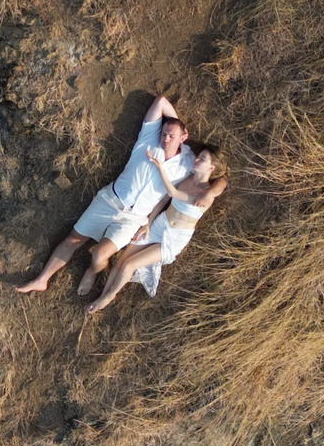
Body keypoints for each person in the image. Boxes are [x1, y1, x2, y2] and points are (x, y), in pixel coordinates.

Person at [14, 94, 192, 297]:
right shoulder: (149, 138)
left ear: (183, 138)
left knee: (99, 254)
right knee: (73, 239)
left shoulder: (186, 165)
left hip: (133, 219)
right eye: (164, 134)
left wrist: (149, 222)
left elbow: (166, 197)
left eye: (171, 136)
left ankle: (91, 271)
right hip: (109, 200)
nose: (166, 139)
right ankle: (41, 280)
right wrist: (175, 124)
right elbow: (160, 102)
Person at [85, 145, 225, 311]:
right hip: (159, 224)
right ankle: (102, 295)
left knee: (129, 265)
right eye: (198, 156)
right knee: (121, 260)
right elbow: (164, 201)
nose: (197, 160)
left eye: (202, 159)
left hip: (174, 237)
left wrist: (160, 168)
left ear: (211, 167)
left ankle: (109, 297)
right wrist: (148, 223)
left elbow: (173, 193)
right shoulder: (187, 179)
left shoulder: (207, 194)